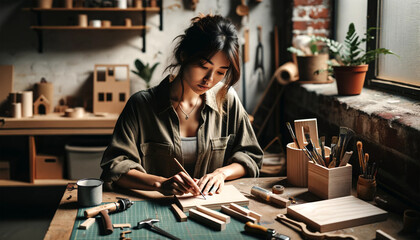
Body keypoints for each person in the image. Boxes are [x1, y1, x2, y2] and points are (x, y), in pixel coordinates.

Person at [100, 14, 263, 197]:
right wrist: (160, 184)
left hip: (212, 208)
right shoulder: (141, 105)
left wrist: (221, 173)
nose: (209, 79)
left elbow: (251, 156)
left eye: (220, 72)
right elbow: (114, 167)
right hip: (155, 208)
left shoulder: (227, 99)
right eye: (203, 66)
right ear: (184, 55)